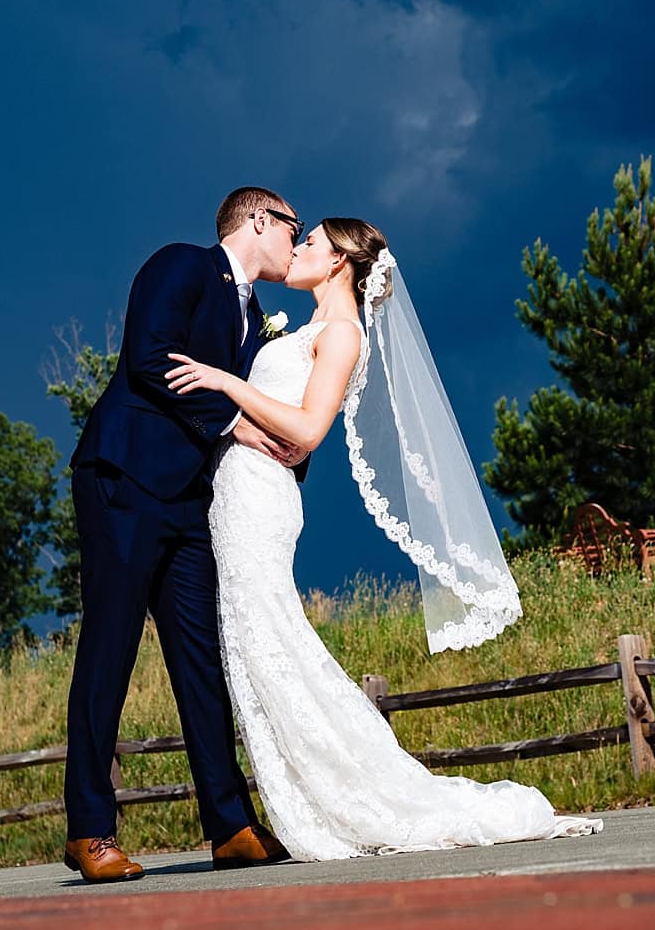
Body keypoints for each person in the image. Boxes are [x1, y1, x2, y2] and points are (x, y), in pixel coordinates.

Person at [164, 217, 603, 858]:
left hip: (261, 503)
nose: (299, 250)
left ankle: (357, 797)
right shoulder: (310, 327)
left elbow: (310, 430)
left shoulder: (342, 333)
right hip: (236, 498)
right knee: (254, 647)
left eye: (310, 242)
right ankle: (298, 798)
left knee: (271, 643)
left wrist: (227, 383)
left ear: (340, 262)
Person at [62, 186, 302, 881]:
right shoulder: (182, 265)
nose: (297, 237)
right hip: (124, 481)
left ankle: (228, 823)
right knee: (110, 648)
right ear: (259, 220)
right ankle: (89, 830)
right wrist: (233, 421)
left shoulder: (254, 318)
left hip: (188, 501)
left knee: (202, 658)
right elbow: (150, 356)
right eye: (294, 225)